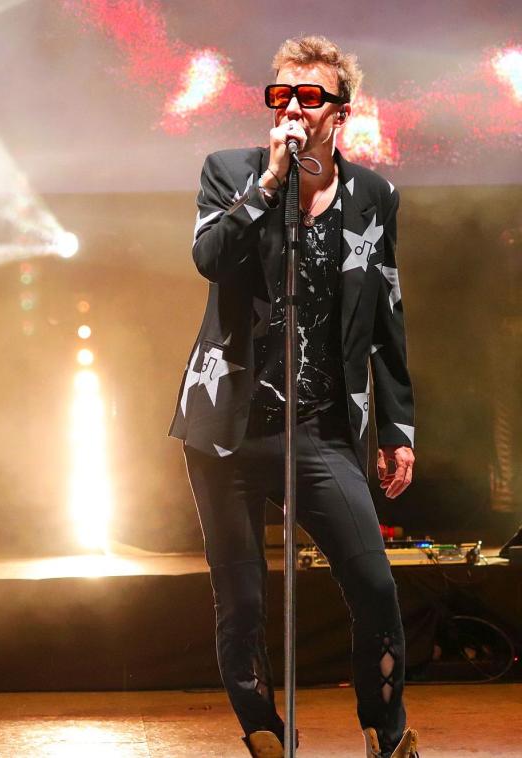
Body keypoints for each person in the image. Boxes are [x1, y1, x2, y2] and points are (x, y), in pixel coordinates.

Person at [168, 37, 419, 758]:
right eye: (281, 96)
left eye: (311, 98)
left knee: (373, 582)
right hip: (227, 428)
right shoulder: (232, 173)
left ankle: (385, 730)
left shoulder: (373, 197)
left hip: (318, 428)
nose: (293, 111)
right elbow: (209, 257)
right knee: (242, 599)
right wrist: (272, 182)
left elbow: (385, 314)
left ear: (341, 113)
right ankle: (263, 733)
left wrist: (397, 427)